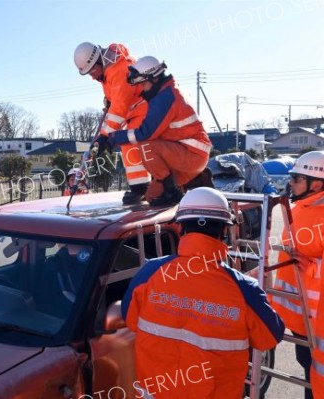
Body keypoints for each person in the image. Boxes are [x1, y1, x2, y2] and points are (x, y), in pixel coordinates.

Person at [121, 187, 284, 398]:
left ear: (180, 227)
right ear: (225, 231)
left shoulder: (149, 274)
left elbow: (130, 319)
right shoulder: (243, 290)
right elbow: (270, 337)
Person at [102, 56, 212, 206]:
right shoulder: (166, 92)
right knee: (151, 197)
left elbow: (144, 133)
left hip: (192, 154)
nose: (142, 89)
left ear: (153, 79)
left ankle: (173, 191)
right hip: (187, 152)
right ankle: (181, 184)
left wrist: (113, 138)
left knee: (145, 146)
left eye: (143, 84)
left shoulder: (165, 98)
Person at [74, 42, 151, 205]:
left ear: (99, 61)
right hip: (135, 112)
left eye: (93, 71)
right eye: (89, 74)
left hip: (144, 109)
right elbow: (116, 103)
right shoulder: (107, 73)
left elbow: (119, 108)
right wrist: (109, 101)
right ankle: (140, 188)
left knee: (131, 143)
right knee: (128, 144)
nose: (93, 76)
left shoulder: (119, 69)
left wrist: (104, 137)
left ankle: (143, 188)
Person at [279, 152, 324, 399]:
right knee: (307, 370)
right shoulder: (298, 209)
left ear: (316, 183)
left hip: (318, 322)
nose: (291, 183)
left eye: (296, 178)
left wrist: (310, 266)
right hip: (300, 319)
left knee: (316, 380)